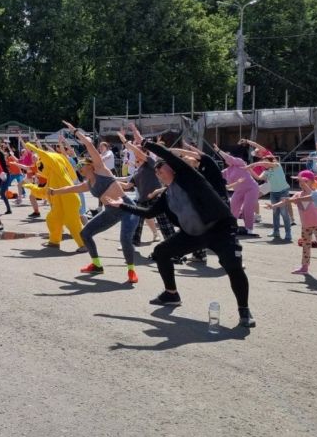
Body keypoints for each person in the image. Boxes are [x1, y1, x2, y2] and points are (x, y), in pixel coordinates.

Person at [104, 140, 256, 328]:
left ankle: (244, 310)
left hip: (220, 230)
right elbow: (149, 213)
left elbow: (167, 155)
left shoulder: (189, 178)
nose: (158, 171)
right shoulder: (166, 195)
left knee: (234, 266)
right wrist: (122, 205)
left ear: (173, 169)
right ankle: (171, 294)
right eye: (156, 171)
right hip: (193, 234)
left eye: (162, 168)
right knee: (161, 252)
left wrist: (145, 143)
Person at [50, 122, 139, 283]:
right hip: (110, 212)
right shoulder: (88, 184)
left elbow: (89, 144)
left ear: (90, 166)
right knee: (85, 234)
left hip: (127, 208)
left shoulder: (102, 170)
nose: (78, 169)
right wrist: (55, 192)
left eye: (80, 166)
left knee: (125, 239)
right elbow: (72, 188)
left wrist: (75, 131)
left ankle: (131, 270)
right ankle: (97, 265)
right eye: (77, 167)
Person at [267, 171, 317, 282]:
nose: (302, 183)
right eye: (300, 182)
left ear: (312, 181)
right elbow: (286, 201)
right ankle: (304, 267)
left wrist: (303, 180)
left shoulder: (316, 192)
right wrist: (273, 206)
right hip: (306, 225)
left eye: (305, 181)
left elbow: (314, 193)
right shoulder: (298, 195)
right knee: (305, 246)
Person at [216, 144, 259, 236]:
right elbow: (216, 175)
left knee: (247, 208)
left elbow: (229, 158)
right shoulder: (227, 171)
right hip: (239, 191)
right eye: (225, 159)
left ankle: (249, 229)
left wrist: (219, 151)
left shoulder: (240, 162)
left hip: (251, 188)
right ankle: (231, 226)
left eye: (228, 157)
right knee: (232, 208)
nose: (227, 159)